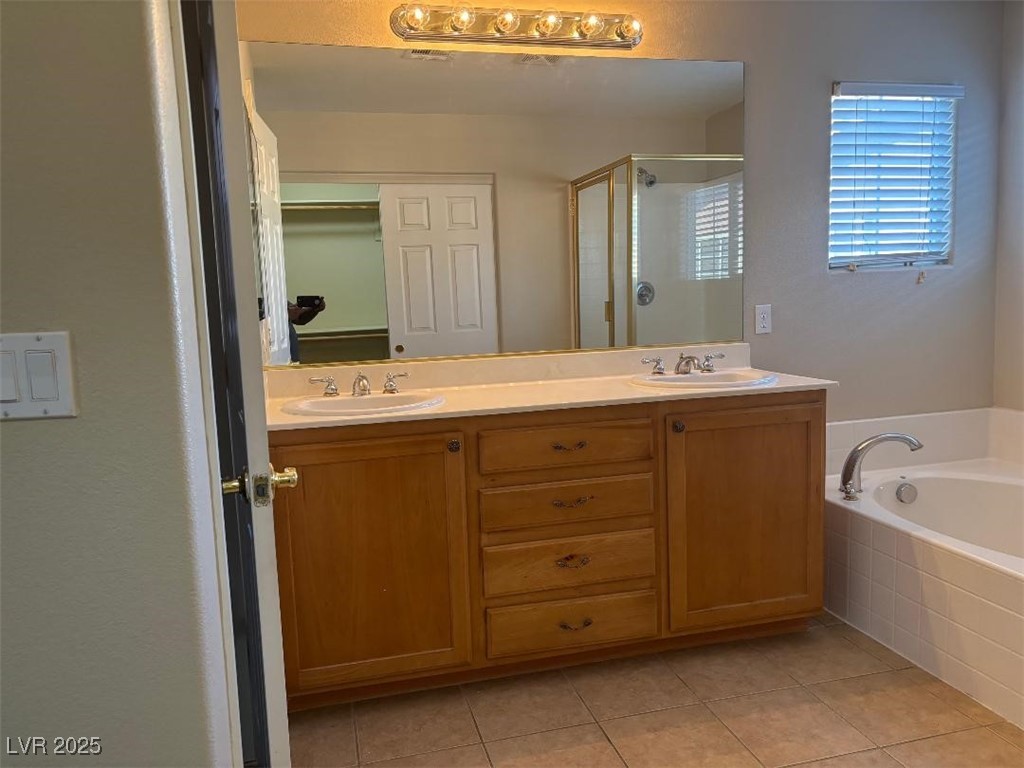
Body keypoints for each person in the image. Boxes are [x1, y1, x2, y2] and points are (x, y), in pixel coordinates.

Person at [288, 297, 326, 363]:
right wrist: (286, 314)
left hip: (291, 357)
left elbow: (299, 319)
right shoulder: (266, 297)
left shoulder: (278, 296)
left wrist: (314, 310)